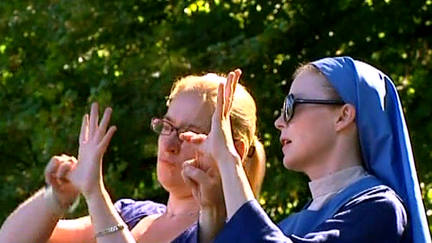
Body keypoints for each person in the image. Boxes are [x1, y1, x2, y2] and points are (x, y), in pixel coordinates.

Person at [180, 56, 431, 242]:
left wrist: (229, 160)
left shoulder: (379, 208)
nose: (279, 122)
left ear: (343, 116)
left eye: (291, 106)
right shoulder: (288, 224)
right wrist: (212, 212)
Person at [0, 72, 266, 243]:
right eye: (168, 126)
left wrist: (95, 194)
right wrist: (57, 197)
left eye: (189, 134)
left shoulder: (230, 234)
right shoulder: (135, 214)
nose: (169, 144)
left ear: (236, 150)